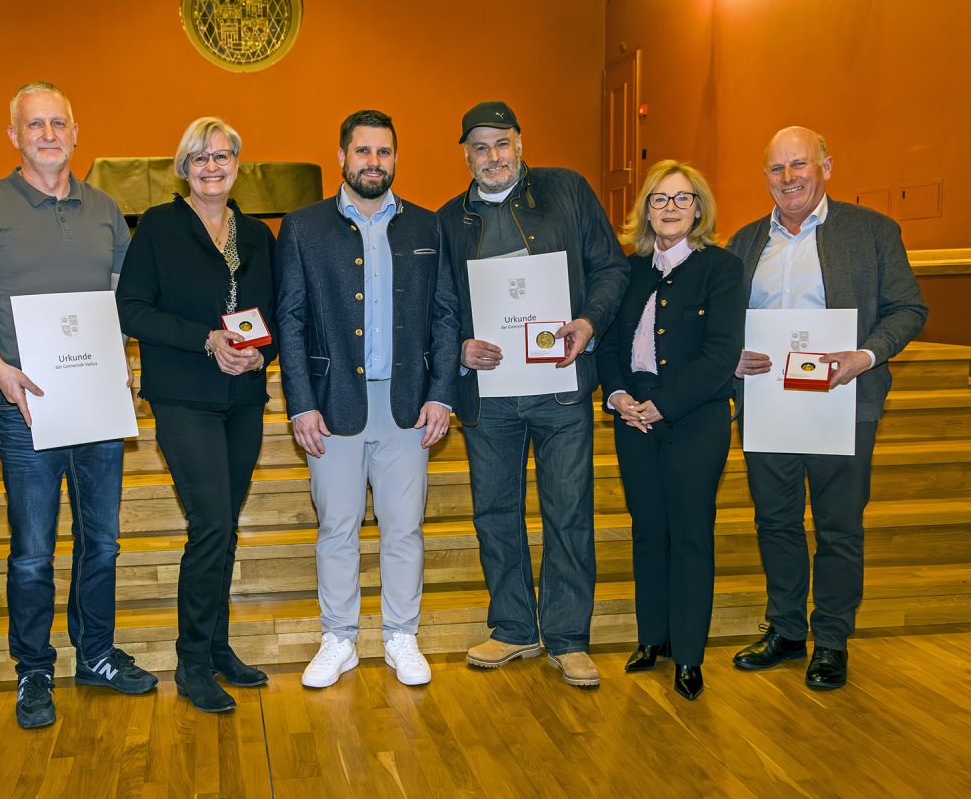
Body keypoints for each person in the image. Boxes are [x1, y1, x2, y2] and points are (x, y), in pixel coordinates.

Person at [0, 81, 156, 729]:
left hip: (95, 407)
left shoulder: (104, 208)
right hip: (25, 407)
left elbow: (124, 298)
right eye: (34, 125)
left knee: (102, 543)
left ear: (75, 130)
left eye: (57, 123)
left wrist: (121, 356)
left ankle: (95, 654)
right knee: (32, 551)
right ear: (14, 135)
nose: (47, 134)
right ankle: (33, 668)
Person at [437, 101, 628, 687]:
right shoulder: (448, 219)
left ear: (521, 142)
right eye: (479, 148)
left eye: (501, 143)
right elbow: (439, 306)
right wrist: (458, 349)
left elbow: (612, 269)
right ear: (465, 155)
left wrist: (589, 323)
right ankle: (514, 628)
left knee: (568, 512)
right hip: (489, 393)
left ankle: (569, 638)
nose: (492, 157)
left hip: (560, 386)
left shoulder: (566, 191)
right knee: (495, 513)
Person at [728, 127, 927, 689]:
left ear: (826, 167)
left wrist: (867, 355)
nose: (788, 178)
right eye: (776, 169)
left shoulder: (873, 233)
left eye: (799, 165)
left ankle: (832, 640)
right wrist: (730, 357)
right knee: (776, 521)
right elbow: (719, 323)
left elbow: (909, 309)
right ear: (765, 176)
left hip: (844, 402)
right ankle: (787, 630)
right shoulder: (743, 244)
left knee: (839, 525)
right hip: (767, 404)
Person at [275, 109, 460, 689]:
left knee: (404, 527)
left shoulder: (428, 228)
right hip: (333, 406)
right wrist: (300, 403)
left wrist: (443, 395)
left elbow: (446, 316)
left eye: (383, 152)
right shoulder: (304, 227)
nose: (373, 162)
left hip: (408, 405)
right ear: (342, 157)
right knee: (337, 527)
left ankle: (401, 635)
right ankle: (340, 639)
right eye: (362, 152)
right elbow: (292, 319)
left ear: (395, 159)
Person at [116, 117, 275, 713]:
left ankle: (217, 647)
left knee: (225, 525)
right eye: (200, 157)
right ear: (184, 167)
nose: (212, 165)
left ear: (238, 163)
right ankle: (190, 663)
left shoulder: (259, 233)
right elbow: (131, 310)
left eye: (223, 155)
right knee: (210, 522)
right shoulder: (158, 227)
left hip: (243, 400)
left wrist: (259, 354)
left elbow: (275, 317)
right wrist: (207, 340)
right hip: (183, 395)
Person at [598, 160, 744, 700]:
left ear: (699, 208)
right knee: (647, 530)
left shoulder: (722, 269)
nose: (670, 208)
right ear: (644, 209)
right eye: (660, 199)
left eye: (682, 199)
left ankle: (688, 654)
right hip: (631, 414)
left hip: (695, 416)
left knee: (688, 534)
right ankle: (651, 639)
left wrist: (661, 405)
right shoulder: (626, 268)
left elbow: (720, 355)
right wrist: (616, 397)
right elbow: (609, 346)